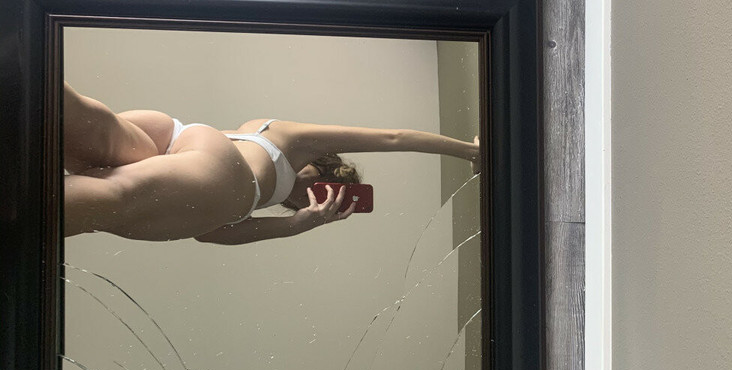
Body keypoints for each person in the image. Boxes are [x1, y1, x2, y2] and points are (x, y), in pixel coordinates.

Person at [63, 82, 480, 244]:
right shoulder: (293, 142)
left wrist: (299, 223)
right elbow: (394, 138)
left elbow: (210, 235)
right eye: (326, 186)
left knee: (81, 121)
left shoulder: (266, 184)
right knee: (112, 197)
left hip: (170, 137)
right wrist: (469, 151)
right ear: (323, 165)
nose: (317, 197)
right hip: (213, 169)